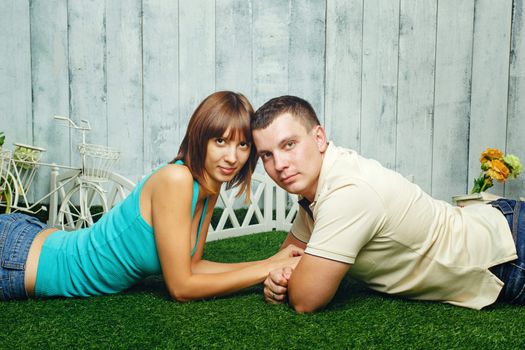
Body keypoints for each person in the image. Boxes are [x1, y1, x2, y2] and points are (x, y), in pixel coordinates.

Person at [0, 91, 302, 302]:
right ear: (200, 138)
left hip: (33, 239)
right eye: (220, 141)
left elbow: (193, 267)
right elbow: (181, 287)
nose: (232, 156)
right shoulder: (177, 179)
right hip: (18, 260)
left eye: (243, 145)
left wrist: (268, 261)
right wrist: (266, 268)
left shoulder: (209, 186)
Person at [251, 95, 524, 312]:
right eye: (266, 155)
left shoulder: (348, 192)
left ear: (319, 138)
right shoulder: (317, 184)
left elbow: (305, 299)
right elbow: (287, 256)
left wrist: (289, 275)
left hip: (508, 254)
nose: (279, 164)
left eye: (289, 145)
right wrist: (282, 272)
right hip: (496, 224)